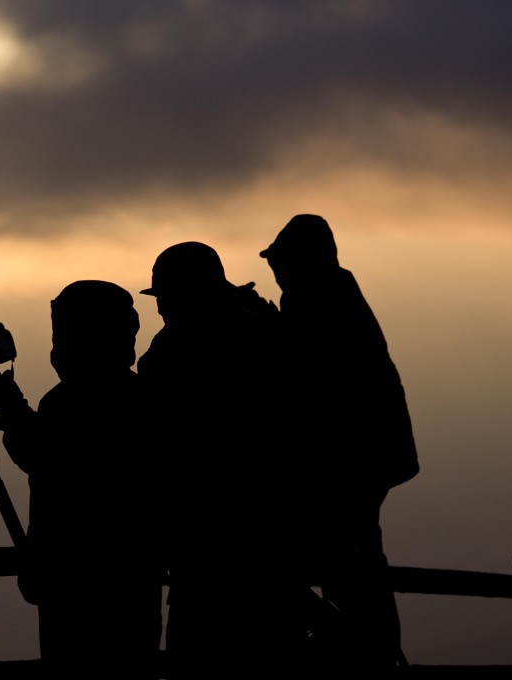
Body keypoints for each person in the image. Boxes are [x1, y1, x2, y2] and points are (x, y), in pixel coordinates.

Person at [136, 241, 307, 672]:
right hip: (270, 544)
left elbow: (162, 453)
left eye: (166, 298)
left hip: (208, 551)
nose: (161, 309)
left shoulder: (171, 353)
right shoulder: (267, 334)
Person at [259, 214, 419, 670]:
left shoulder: (313, 296)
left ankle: (367, 654)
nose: (277, 270)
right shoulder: (331, 291)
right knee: (353, 555)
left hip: (351, 457)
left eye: (281, 262)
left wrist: (266, 325)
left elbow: (309, 369)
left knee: (345, 557)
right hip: (365, 455)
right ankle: (370, 651)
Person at [0, 280, 164, 678]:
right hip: (133, 577)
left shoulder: (71, 400)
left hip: (73, 579)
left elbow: (47, 460)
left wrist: (12, 408)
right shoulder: (139, 394)